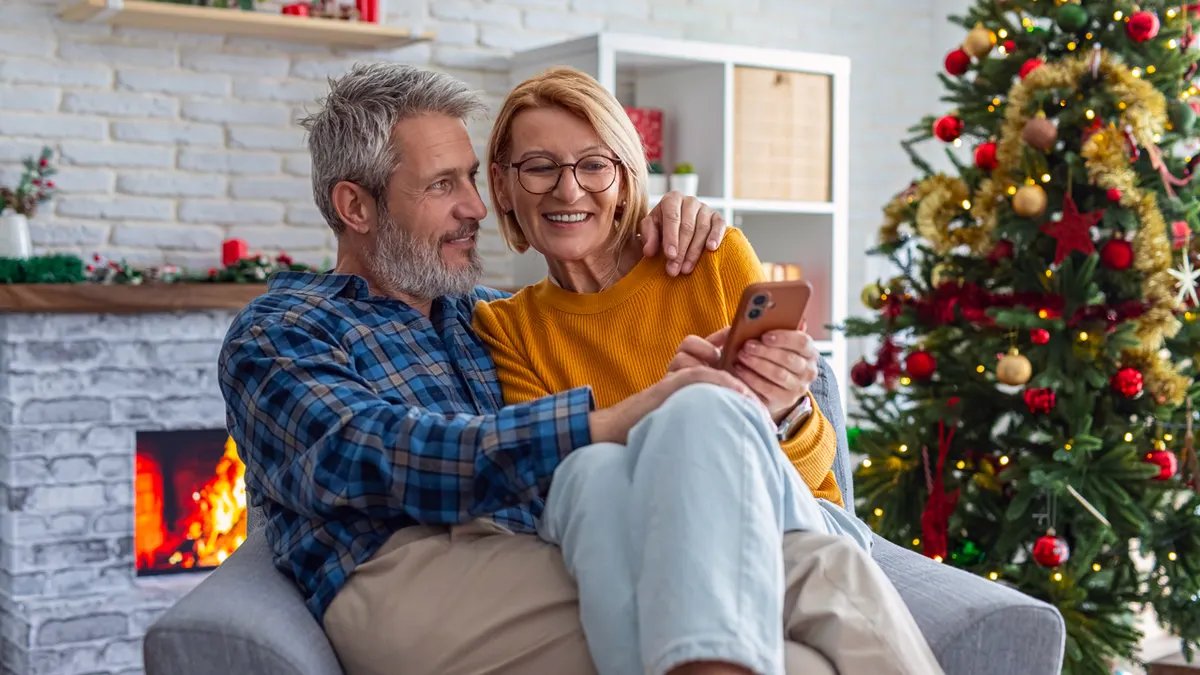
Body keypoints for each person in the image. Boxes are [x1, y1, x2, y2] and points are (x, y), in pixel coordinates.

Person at [218, 62, 749, 675]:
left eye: (471, 178)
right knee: (746, 635)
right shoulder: (282, 330)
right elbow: (363, 451)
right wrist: (598, 425)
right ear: (355, 206)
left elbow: (609, 343)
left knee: (822, 569)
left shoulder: (493, 316)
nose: (475, 207)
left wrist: (647, 225)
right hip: (408, 569)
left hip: (546, 547)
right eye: (443, 185)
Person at [472, 67, 943, 675]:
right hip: (631, 521)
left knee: (700, 411)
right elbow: (550, 483)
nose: (569, 190)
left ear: (624, 178)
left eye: (594, 164)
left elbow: (808, 476)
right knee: (590, 470)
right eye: (539, 166)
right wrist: (667, 400)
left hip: (780, 507)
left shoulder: (706, 258)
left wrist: (780, 410)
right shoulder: (508, 327)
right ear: (503, 187)